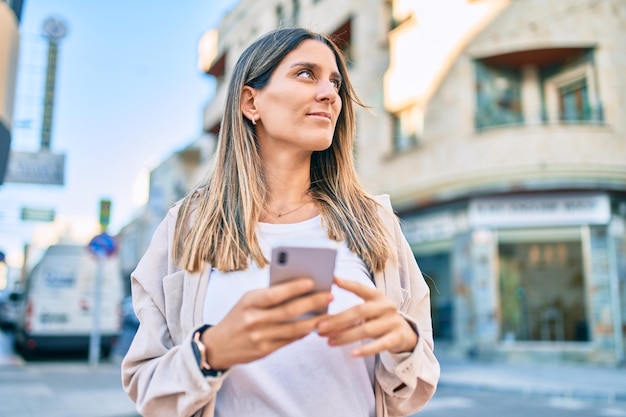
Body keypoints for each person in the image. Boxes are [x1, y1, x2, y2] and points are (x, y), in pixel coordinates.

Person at [122, 27, 440, 417]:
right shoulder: (187, 226)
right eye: (306, 73)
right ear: (250, 102)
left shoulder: (374, 222)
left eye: (335, 82)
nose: (330, 94)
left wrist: (404, 344)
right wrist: (211, 351)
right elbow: (146, 389)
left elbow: (415, 388)